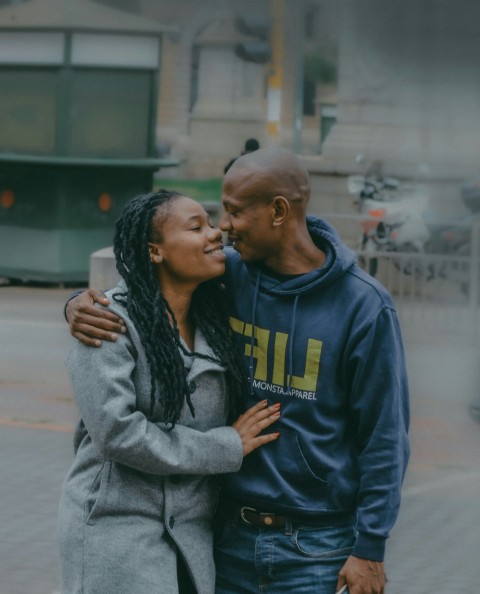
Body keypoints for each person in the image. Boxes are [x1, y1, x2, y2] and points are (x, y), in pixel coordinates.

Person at [65, 149, 410, 594]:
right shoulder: (228, 273)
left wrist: (370, 548)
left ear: (279, 210)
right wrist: (77, 303)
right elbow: (149, 278)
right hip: (225, 538)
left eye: (232, 212)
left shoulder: (364, 307)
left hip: (316, 549)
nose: (222, 228)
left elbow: (384, 437)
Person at [58, 189, 281, 594]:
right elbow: (117, 434)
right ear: (155, 252)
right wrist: (226, 446)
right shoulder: (107, 323)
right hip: (117, 529)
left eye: (212, 224)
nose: (214, 234)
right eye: (196, 227)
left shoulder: (215, 315)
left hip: (192, 537)